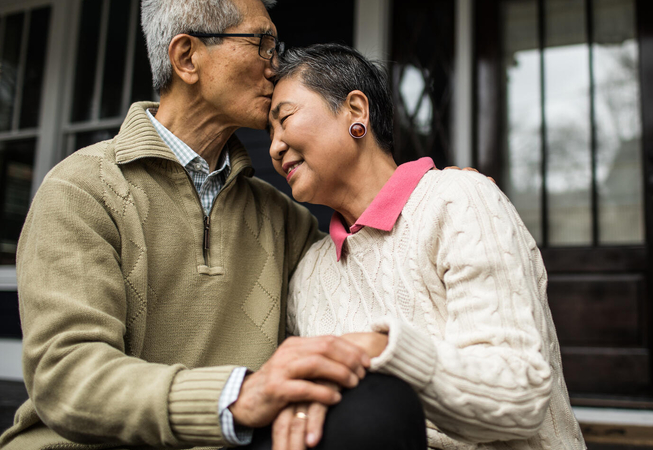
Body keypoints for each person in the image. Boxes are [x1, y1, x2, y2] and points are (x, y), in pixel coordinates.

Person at [0, 1, 426, 449]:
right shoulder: (82, 188)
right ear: (187, 58)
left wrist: (435, 197)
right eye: (261, 44)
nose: (275, 64)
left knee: (379, 409)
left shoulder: (281, 219)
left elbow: (373, 271)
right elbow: (67, 377)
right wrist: (236, 396)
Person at [264, 43, 587, 450]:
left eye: (285, 118)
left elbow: (519, 397)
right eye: (269, 132)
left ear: (356, 111)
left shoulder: (458, 203)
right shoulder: (309, 272)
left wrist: (383, 350)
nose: (275, 148)